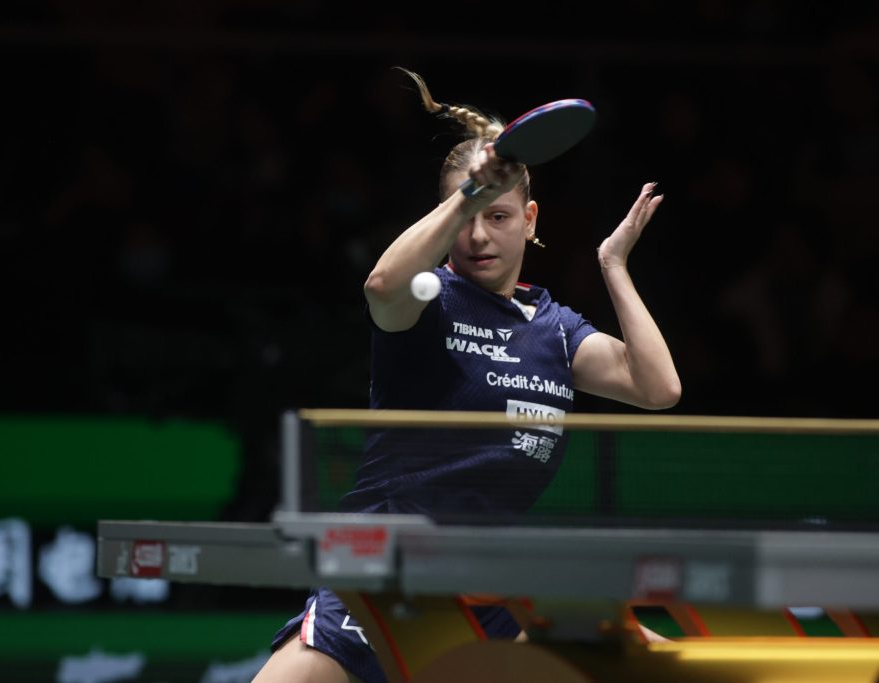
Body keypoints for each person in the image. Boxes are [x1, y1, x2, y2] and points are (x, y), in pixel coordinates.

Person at [252, 69, 681, 683]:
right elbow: (381, 286)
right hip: (384, 582)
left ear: (530, 220)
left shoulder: (556, 330)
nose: (479, 235)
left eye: (499, 216)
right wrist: (472, 193)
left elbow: (658, 388)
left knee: (660, 667)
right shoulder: (428, 301)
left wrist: (613, 265)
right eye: (468, 218)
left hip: (487, 592)